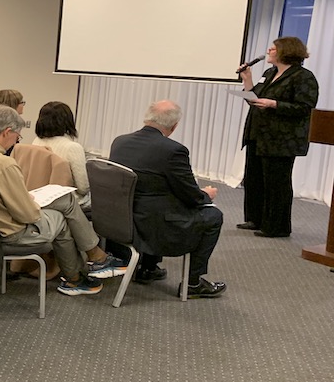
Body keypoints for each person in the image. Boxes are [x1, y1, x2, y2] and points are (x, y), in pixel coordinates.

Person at [0, 106, 124, 296]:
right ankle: (79, 274)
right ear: (7, 132)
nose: (17, 141)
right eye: (17, 136)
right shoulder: (2, 164)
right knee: (62, 219)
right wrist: (30, 201)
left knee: (64, 202)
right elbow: (27, 214)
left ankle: (89, 263)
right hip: (8, 231)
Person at [110, 100, 227, 297]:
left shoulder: (120, 141)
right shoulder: (174, 151)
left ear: (146, 118)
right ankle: (193, 282)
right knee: (213, 215)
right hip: (153, 226)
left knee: (157, 201)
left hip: (121, 219)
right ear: (174, 127)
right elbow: (191, 196)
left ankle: (148, 268)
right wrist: (206, 194)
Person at [238, 37, 319, 238]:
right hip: (258, 134)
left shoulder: (303, 77)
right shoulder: (269, 73)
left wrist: (275, 104)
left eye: (273, 48)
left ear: (285, 51)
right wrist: (247, 79)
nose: (268, 50)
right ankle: (255, 218)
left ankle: (276, 226)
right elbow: (255, 99)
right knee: (254, 178)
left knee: (276, 183)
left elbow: (305, 107)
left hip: (282, 139)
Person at [32, 101, 90, 208]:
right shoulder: (72, 147)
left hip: (40, 197)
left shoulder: (36, 141)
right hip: (66, 201)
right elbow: (83, 188)